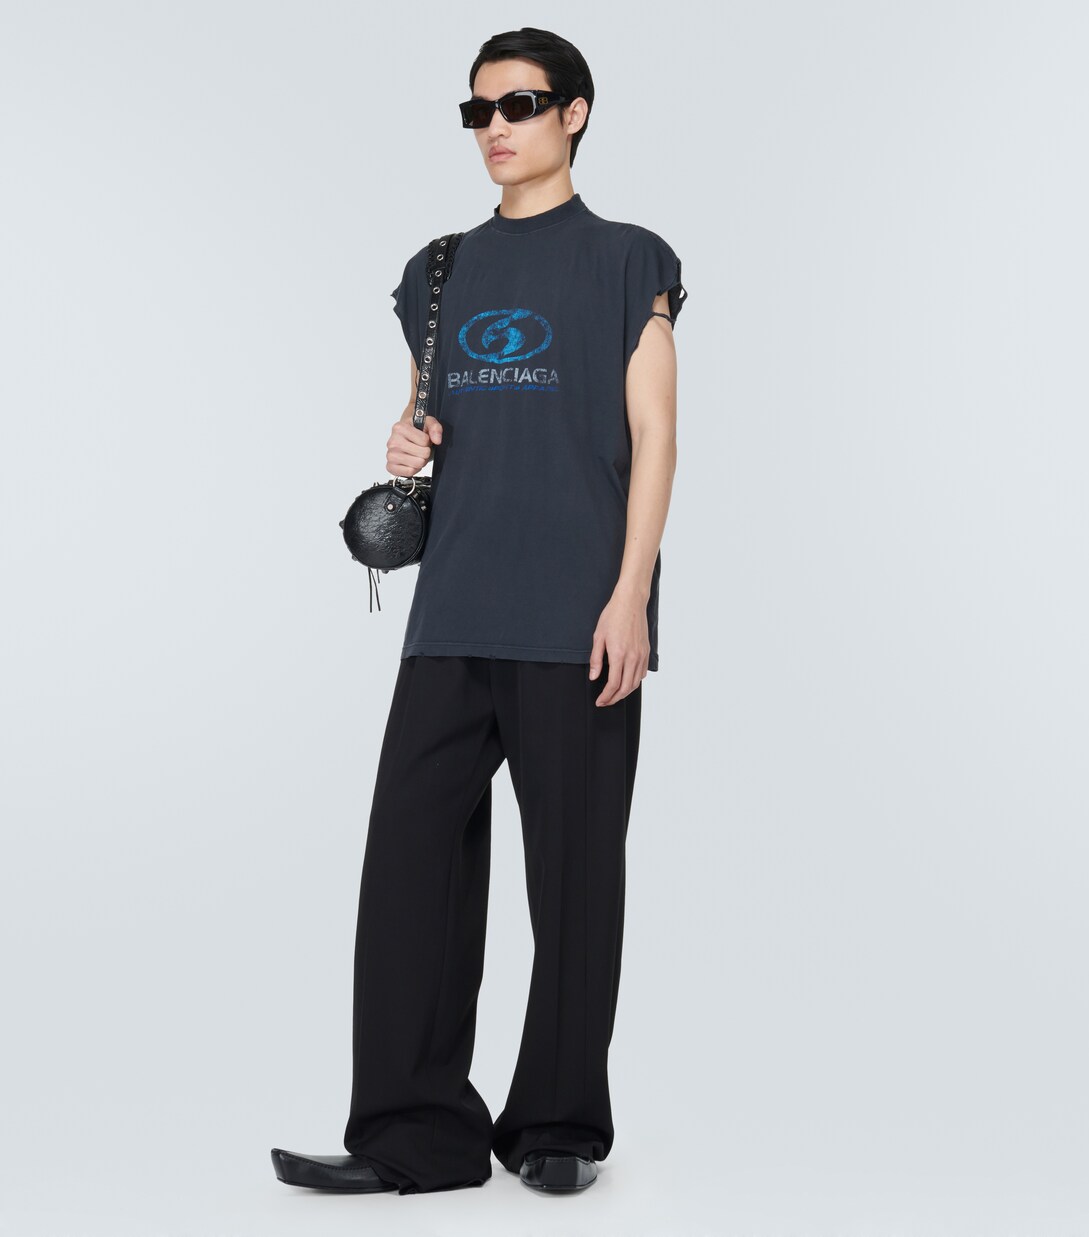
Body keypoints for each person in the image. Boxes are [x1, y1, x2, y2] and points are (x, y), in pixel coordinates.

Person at [271, 25, 686, 1197]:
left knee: (573, 877)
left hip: (578, 616)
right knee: (411, 867)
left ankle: (556, 1124)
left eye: (518, 104)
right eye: (477, 111)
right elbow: (427, 413)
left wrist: (629, 595)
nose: (493, 128)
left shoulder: (628, 260)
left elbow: (654, 435)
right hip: (453, 607)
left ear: (574, 113)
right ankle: (414, 1132)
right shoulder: (440, 268)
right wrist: (406, 439)